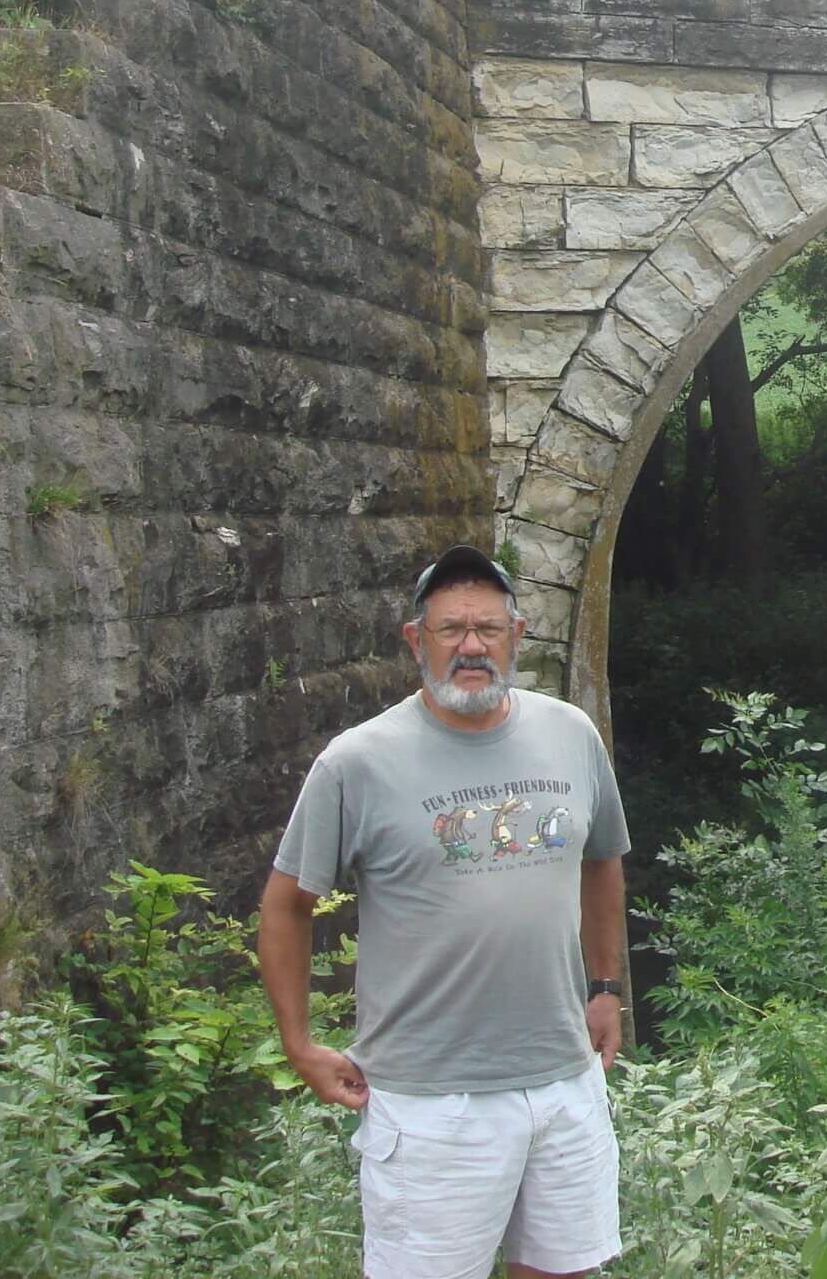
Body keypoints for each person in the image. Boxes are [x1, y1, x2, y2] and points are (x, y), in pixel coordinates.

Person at [258, 544, 632, 1279]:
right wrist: (299, 1044)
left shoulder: (571, 735)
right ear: (414, 641)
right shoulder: (357, 761)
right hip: (433, 1103)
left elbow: (602, 858)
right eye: (451, 629)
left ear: (517, 637)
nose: (471, 646)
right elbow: (284, 904)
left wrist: (606, 987)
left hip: (563, 1081)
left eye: (488, 630)